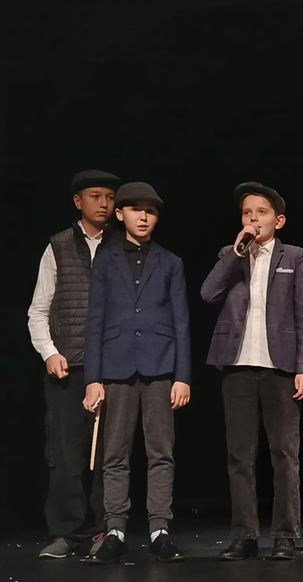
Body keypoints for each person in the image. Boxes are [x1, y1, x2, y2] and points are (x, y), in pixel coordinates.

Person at [201, 182, 303, 562]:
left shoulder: (293, 256)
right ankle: (245, 536)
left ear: (278, 220)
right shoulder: (230, 254)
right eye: (247, 212)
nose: (253, 218)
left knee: (284, 453)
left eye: (261, 212)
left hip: (280, 367)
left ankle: (285, 535)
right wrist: (237, 253)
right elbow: (208, 293)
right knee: (240, 456)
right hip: (237, 366)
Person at [82, 182, 191, 565]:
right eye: (135, 209)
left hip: (160, 365)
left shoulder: (171, 262)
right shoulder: (105, 260)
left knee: (161, 452)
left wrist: (183, 376)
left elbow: (181, 321)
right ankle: (115, 529)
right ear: (120, 213)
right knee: (115, 453)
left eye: (151, 211)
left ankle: (160, 529)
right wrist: (92, 378)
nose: (143, 217)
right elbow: (95, 320)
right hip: (116, 365)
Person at [28, 170, 121, 559]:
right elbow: (39, 309)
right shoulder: (59, 246)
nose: (104, 203)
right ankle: (67, 533)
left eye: (110, 197)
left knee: (109, 454)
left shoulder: (124, 245)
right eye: (95, 196)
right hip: (70, 366)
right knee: (66, 454)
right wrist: (49, 351)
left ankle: (105, 530)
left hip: (114, 369)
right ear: (78, 201)